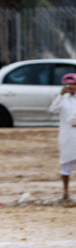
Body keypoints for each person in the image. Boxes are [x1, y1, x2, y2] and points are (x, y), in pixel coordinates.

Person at [48, 73, 76, 201]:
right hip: (67, 134)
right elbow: (52, 109)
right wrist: (60, 96)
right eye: (69, 85)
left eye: (74, 85)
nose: (72, 87)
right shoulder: (63, 99)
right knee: (66, 164)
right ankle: (65, 192)